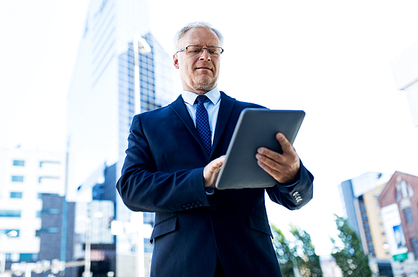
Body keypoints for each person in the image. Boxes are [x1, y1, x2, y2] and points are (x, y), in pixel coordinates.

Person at [116, 22, 314, 277]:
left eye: (213, 50)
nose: (205, 56)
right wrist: (200, 179)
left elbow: (296, 197)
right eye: (195, 49)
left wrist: (292, 175)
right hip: (179, 263)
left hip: (250, 262)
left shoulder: (256, 115)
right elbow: (132, 188)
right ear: (176, 61)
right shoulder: (148, 125)